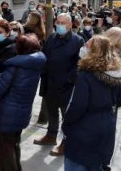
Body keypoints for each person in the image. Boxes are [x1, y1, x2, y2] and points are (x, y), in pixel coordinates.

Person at [63, 35, 121, 171]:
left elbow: (77, 106)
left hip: (84, 130)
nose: (83, 47)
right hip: (106, 128)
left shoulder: (86, 75)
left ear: (94, 51)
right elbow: (120, 100)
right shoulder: (116, 73)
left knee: (76, 164)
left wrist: (66, 123)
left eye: (87, 45)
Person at [0, 34, 46, 171]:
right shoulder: (36, 64)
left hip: (8, 113)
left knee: (5, 151)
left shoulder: (15, 67)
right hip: (23, 112)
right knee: (14, 145)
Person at [34, 13, 84, 156]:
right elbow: (44, 55)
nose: (60, 25)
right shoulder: (51, 37)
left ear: (70, 25)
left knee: (66, 116)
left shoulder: (78, 41)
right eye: (58, 22)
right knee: (52, 111)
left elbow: (80, 64)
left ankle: (66, 143)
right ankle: (51, 136)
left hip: (66, 86)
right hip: (50, 83)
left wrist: (69, 80)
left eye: (63, 23)